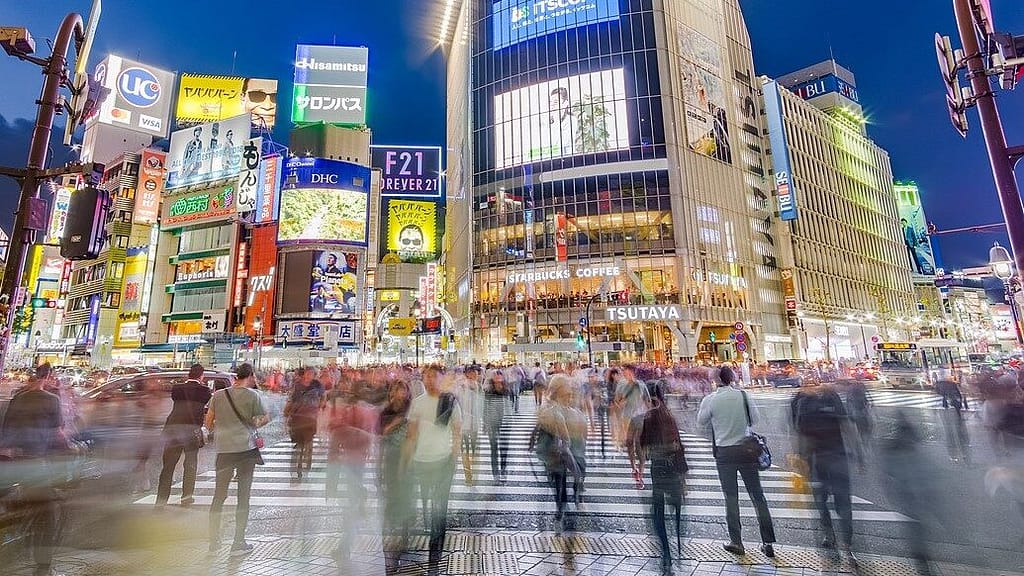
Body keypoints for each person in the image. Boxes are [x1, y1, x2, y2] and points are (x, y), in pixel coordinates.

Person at [697, 366, 776, 557]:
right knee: (758, 496)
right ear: (732, 378)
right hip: (746, 451)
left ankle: (737, 542)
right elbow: (754, 419)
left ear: (716, 380)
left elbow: (701, 422)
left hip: (725, 454)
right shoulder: (743, 396)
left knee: (731, 498)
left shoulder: (711, 400)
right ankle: (768, 542)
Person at [0, 363, 66, 576]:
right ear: (48, 376)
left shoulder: (17, 399)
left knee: (16, 503)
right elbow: (58, 434)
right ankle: (43, 564)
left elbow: (6, 429)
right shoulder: (52, 400)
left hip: (12, 460)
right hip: (35, 463)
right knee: (46, 515)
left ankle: (15, 511)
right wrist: (71, 448)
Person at [403, 365, 462, 576]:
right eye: (425, 377)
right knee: (426, 500)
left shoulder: (450, 402)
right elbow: (411, 435)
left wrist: (454, 460)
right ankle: (429, 535)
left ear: (441, 378)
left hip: (443, 460)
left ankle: (435, 555)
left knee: (440, 509)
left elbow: (457, 432)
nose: (428, 380)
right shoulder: (417, 403)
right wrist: (406, 461)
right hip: (421, 461)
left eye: (433, 376)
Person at [205, 363, 268, 555]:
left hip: (223, 450)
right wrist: (253, 424)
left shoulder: (218, 395)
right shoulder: (253, 396)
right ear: (250, 376)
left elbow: (208, 423)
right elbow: (263, 418)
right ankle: (238, 542)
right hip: (245, 450)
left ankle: (214, 542)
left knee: (219, 495)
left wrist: (222, 429)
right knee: (243, 496)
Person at [792, 384, 857, 566]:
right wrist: (857, 453)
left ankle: (829, 535)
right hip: (838, 457)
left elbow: (801, 434)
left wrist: (801, 459)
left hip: (818, 461)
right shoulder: (832, 397)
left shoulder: (803, 402)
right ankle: (847, 544)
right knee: (843, 504)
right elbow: (846, 425)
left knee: (820, 501)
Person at [636, 382, 688, 572]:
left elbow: (643, 446)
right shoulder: (669, 415)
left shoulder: (650, 417)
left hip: (658, 468)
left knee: (657, 512)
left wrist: (640, 468)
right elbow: (679, 445)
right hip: (674, 467)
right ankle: (678, 546)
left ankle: (666, 552)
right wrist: (684, 477)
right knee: (676, 508)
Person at [155, 363, 212, 507]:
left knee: (168, 465)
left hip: (173, 429)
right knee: (190, 463)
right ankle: (186, 497)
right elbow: (205, 403)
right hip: (191, 430)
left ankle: (161, 500)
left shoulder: (177, 388)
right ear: (201, 376)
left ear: (189, 374)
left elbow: (176, 400)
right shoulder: (205, 391)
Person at [534, 374, 585, 533]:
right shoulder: (549, 407)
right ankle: (560, 509)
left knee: (578, 473)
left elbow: (580, 425)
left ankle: (576, 495)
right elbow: (539, 427)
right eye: (565, 393)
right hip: (556, 451)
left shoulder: (572, 404)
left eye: (569, 392)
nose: (568, 395)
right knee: (559, 482)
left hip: (573, 447)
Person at [378, 379, 414, 572]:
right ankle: (394, 532)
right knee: (392, 496)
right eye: (395, 391)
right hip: (391, 459)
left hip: (409, 460)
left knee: (406, 495)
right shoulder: (386, 412)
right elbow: (380, 435)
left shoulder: (412, 410)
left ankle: (404, 530)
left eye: (402, 391)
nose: (399, 395)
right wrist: (394, 424)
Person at [284, 367, 324, 481]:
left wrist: (319, 408)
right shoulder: (297, 385)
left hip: (311, 419)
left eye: (311, 374)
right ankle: (298, 465)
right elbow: (291, 399)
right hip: (297, 418)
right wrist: (286, 413)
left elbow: (323, 397)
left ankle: (306, 464)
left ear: (314, 375)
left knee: (308, 442)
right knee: (298, 443)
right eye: (307, 374)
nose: (308, 376)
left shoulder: (317, 385)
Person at [935, 369, 970, 463]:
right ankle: (964, 453)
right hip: (954, 410)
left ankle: (953, 455)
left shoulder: (937, 385)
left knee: (949, 433)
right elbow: (958, 396)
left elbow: (938, 397)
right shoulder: (951, 384)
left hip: (944, 410)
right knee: (959, 430)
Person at [483, 370, 512, 482]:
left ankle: (503, 469)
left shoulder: (506, 390)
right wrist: (485, 424)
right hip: (493, 423)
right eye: (496, 377)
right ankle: (495, 473)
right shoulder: (488, 392)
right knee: (494, 449)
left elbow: (509, 406)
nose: (498, 380)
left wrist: (510, 420)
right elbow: (485, 409)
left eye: (500, 378)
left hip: (505, 423)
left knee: (504, 448)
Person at [458, 366, 484, 485]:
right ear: (468, 374)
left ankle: (472, 473)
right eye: (473, 373)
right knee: (465, 449)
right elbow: (457, 402)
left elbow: (481, 404)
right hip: (464, 422)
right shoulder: (461, 386)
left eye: (476, 373)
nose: (475, 375)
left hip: (475, 423)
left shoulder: (479, 387)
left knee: (473, 449)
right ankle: (468, 476)